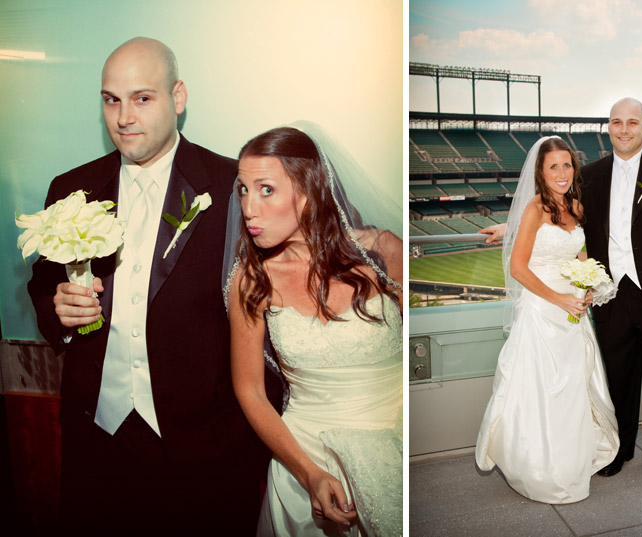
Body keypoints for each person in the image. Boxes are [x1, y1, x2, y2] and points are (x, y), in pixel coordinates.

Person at [27, 37, 281, 535]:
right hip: (96, 444)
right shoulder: (70, 189)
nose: (123, 116)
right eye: (111, 99)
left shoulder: (231, 186)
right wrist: (56, 309)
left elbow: (273, 315)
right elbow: (41, 285)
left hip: (206, 456)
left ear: (178, 97)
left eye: (142, 98)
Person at [481, 97, 642, 486]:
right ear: (608, 127)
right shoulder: (593, 174)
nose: (623, 129)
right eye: (616, 122)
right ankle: (620, 449)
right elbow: (556, 207)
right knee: (617, 380)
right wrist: (510, 229)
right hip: (611, 297)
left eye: (632, 122)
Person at [224, 124, 403, 536]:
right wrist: (309, 476)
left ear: (307, 191)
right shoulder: (250, 279)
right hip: (302, 459)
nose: (249, 208)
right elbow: (249, 390)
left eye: (266, 189)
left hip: (394, 442)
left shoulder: (381, 253)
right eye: (243, 190)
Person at [475, 136, 619, 504]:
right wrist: (560, 299)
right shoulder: (534, 208)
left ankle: (570, 460)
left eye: (567, 165)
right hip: (543, 310)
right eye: (553, 166)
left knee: (572, 389)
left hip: (573, 309)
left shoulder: (576, 205)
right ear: (540, 171)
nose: (562, 172)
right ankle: (543, 468)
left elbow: (581, 255)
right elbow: (518, 268)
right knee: (545, 391)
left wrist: (586, 287)